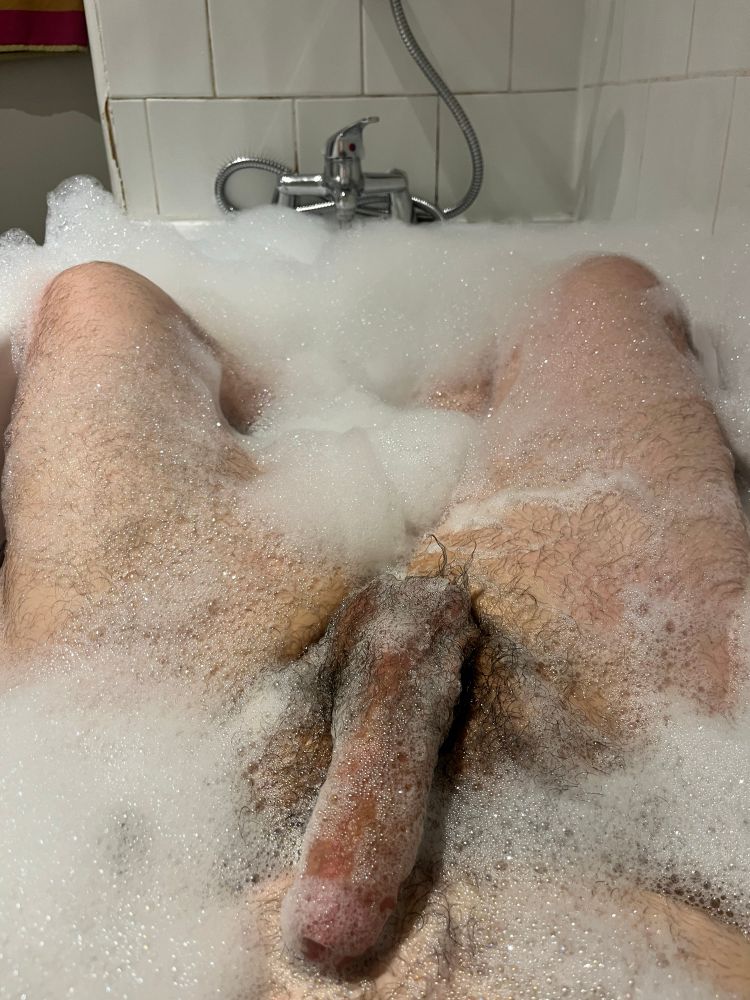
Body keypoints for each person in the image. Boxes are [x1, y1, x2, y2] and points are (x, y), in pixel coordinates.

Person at [3, 254, 750, 997]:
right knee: (602, 291)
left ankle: (311, 415)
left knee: (95, 298)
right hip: (648, 812)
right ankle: (421, 412)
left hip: (157, 823)